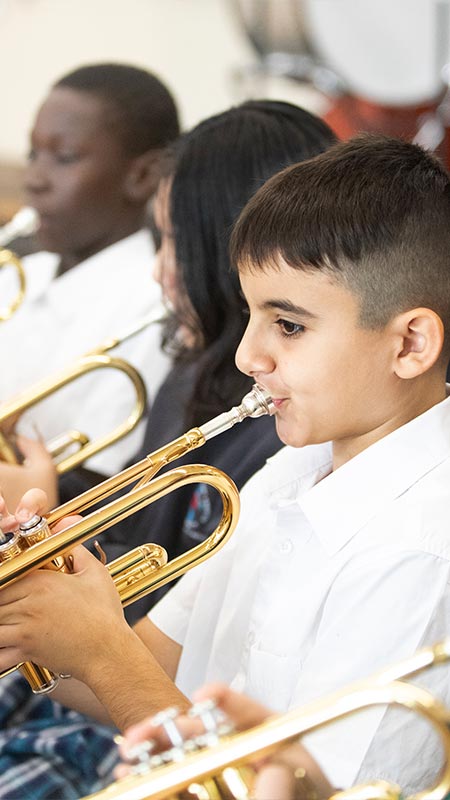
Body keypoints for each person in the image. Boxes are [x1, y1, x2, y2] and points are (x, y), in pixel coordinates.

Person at [2, 133, 450, 794]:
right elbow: (157, 668)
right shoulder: (297, 467)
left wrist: (102, 646)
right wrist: (56, 609)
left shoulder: (421, 554)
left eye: (289, 325)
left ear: (410, 343)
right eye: (251, 315)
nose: (247, 357)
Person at [0, 63, 179, 484]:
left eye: (63, 158)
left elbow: (93, 479)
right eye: (33, 154)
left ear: (142, 176)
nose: (35, 179)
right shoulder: (18, 274)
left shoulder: (151, 304)